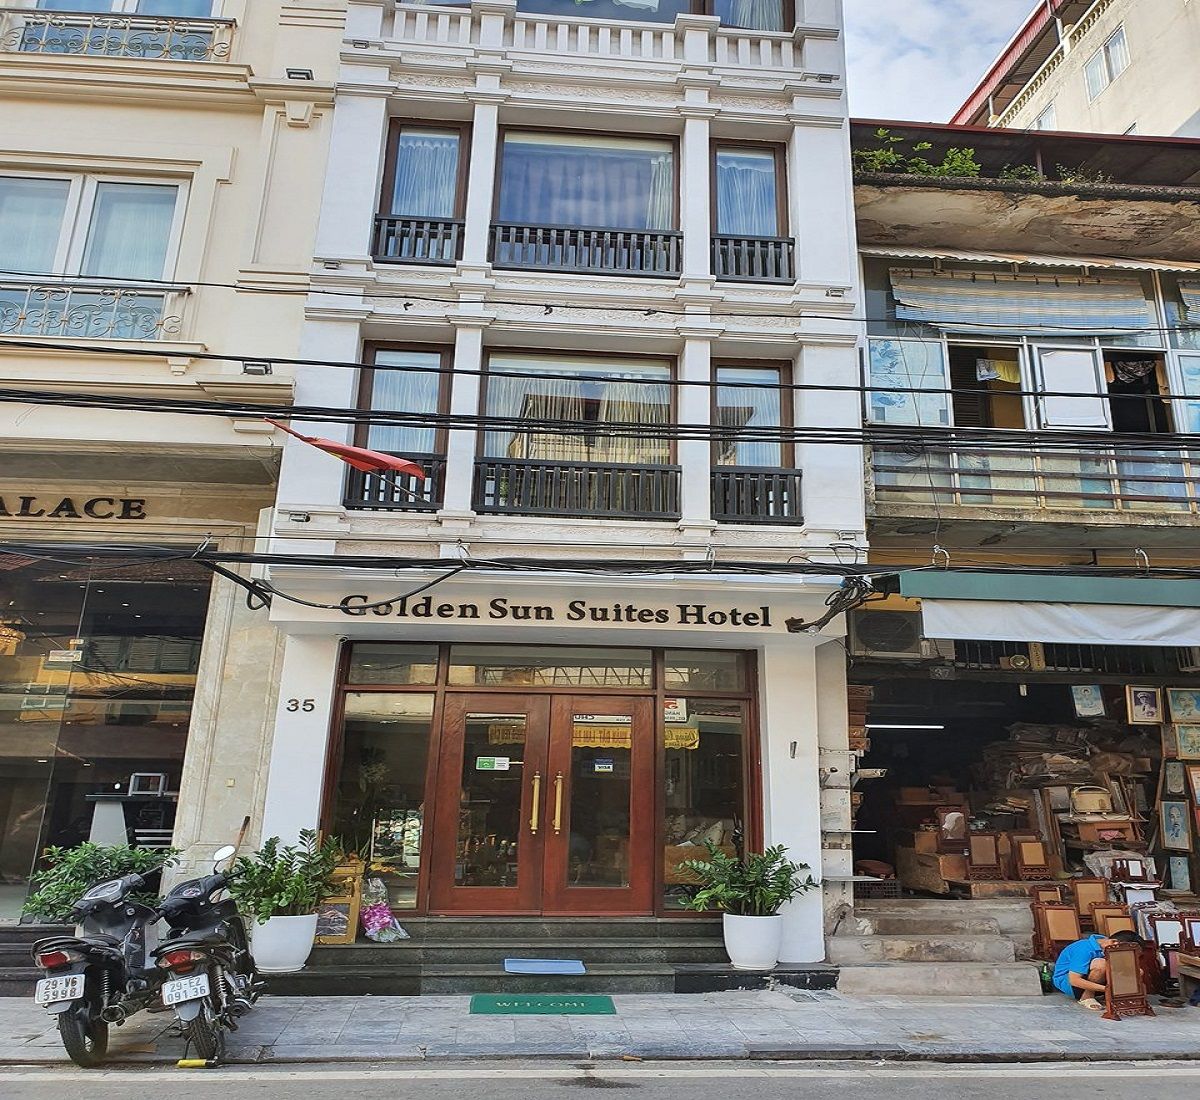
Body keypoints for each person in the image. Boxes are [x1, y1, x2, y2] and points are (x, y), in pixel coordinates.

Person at [1052, 930, 1143, 1011]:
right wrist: (1107, 989)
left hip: (1099, 983)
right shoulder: (1083, 948)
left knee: (1138, 971)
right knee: (1101, 964)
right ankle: (1087, 997)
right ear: (1114, 942)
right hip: (1071, 984)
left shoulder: (1109, 947)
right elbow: (1074, 980)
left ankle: (1114, 997)